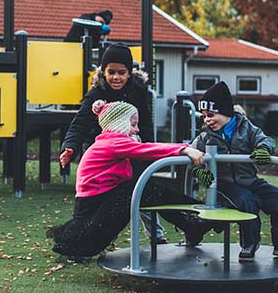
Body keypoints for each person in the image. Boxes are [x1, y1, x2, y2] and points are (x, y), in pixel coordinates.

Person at [48, 100, 220, 258]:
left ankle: (193, 223)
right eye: (133, 124)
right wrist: (185, 149)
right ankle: (199, 213)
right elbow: (147, 150)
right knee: (145, 189)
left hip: (98, 201)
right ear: (120, 123)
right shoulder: (113, 143)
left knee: (150, 191)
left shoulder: (106, 141)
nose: (137, 130)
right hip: (96, 206)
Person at [59, 42, 166, 242]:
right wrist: (70, 147)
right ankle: (78, 240)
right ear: (103, 72)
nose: (116, 77)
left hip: (131, 149)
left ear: (129, 73)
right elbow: (79, 124)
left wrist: (149, 153)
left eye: (121, 72)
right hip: (104, 156)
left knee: (141, 187)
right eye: (111, 72)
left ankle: (156, 236)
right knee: (95, 201)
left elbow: (146, 122)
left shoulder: (138, 91)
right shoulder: (97, 93)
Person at [191, 81, 278, 262]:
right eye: (204, 116)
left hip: (249, 180)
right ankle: (249, 243)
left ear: (226, 112)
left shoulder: (246, 128)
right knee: (246, 201)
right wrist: (199, 173)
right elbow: (193, 157)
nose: (207, 120)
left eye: (211, 115)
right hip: (224, 185)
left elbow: (266, 140)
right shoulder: (205, 136)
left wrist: (263, 149)